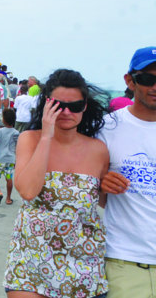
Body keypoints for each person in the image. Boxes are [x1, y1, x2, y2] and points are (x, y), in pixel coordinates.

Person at [3, 68, 109, 298]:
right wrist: (47, 136)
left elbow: (103, 202)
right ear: (47, 104)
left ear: (85, 107)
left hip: (83, 265)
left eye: (75, 106)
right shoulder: (29, 140)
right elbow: (28, 191)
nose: (67, 112)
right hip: (30, 261)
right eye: (59, 106)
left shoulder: (98, 150)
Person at [98, 47, 156, 298]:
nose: (155, 86)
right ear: (129, 81)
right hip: (126, 261)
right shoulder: (107, 128)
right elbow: (90, 193)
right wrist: (101, 183)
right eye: (147, 79)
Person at [0, 107, 18, 206]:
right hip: (11, 159)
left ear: (3, 120)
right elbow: (18, 147)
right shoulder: (16, 133)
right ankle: (8, 198)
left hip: (0, 158)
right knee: (9, 178)